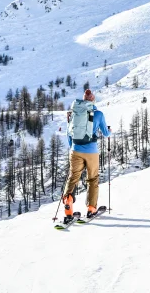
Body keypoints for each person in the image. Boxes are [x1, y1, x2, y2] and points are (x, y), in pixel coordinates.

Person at [63, 89, 110, 220]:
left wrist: (73, 147)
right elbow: (106, 133)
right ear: (93, 101)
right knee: (93, 179)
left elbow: (69, 133)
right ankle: (91, 209)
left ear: (83, 101)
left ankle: (68, 205)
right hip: (91, 152)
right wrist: (109, 131)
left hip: (75, 150)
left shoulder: (74, 113)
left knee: (73, 178)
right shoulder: (98, 114)